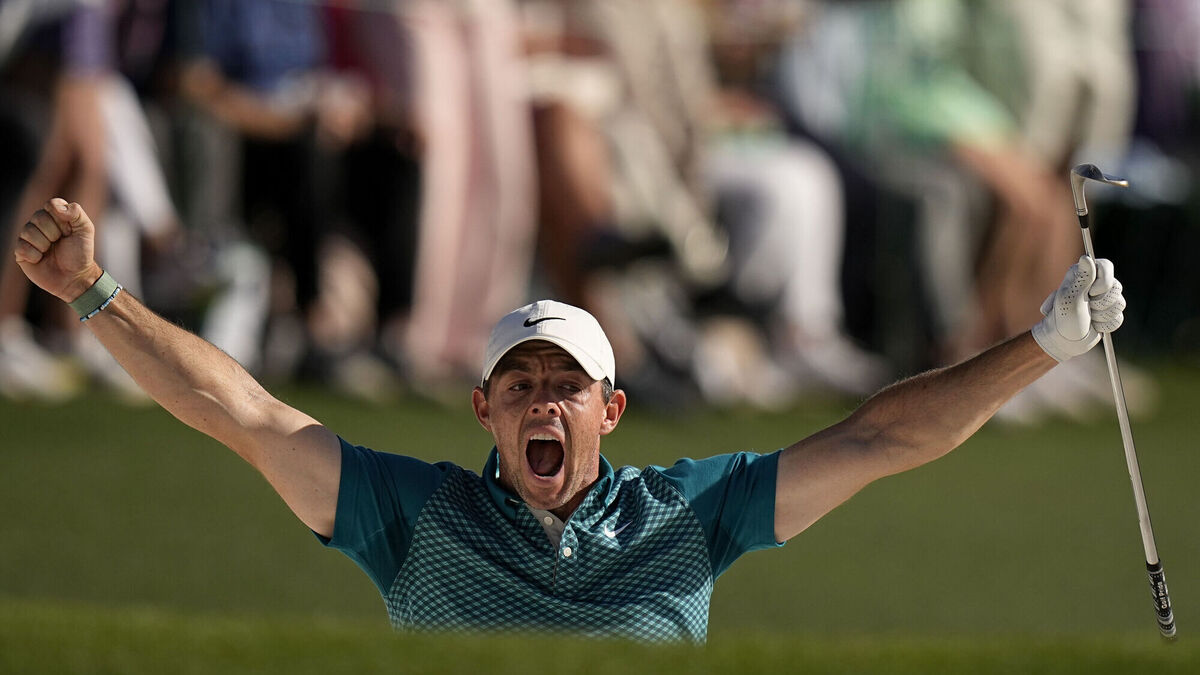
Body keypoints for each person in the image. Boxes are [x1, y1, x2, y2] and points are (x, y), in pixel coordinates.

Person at [14, 198, 1125, 642]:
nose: (542, 399)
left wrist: (1043, 345)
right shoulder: (413, 516)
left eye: (566, 384)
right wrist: (94, 294)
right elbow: (242, 414)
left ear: (612, 409)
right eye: (519, 384)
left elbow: (878, 439)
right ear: (484, 408)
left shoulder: (690, 510)